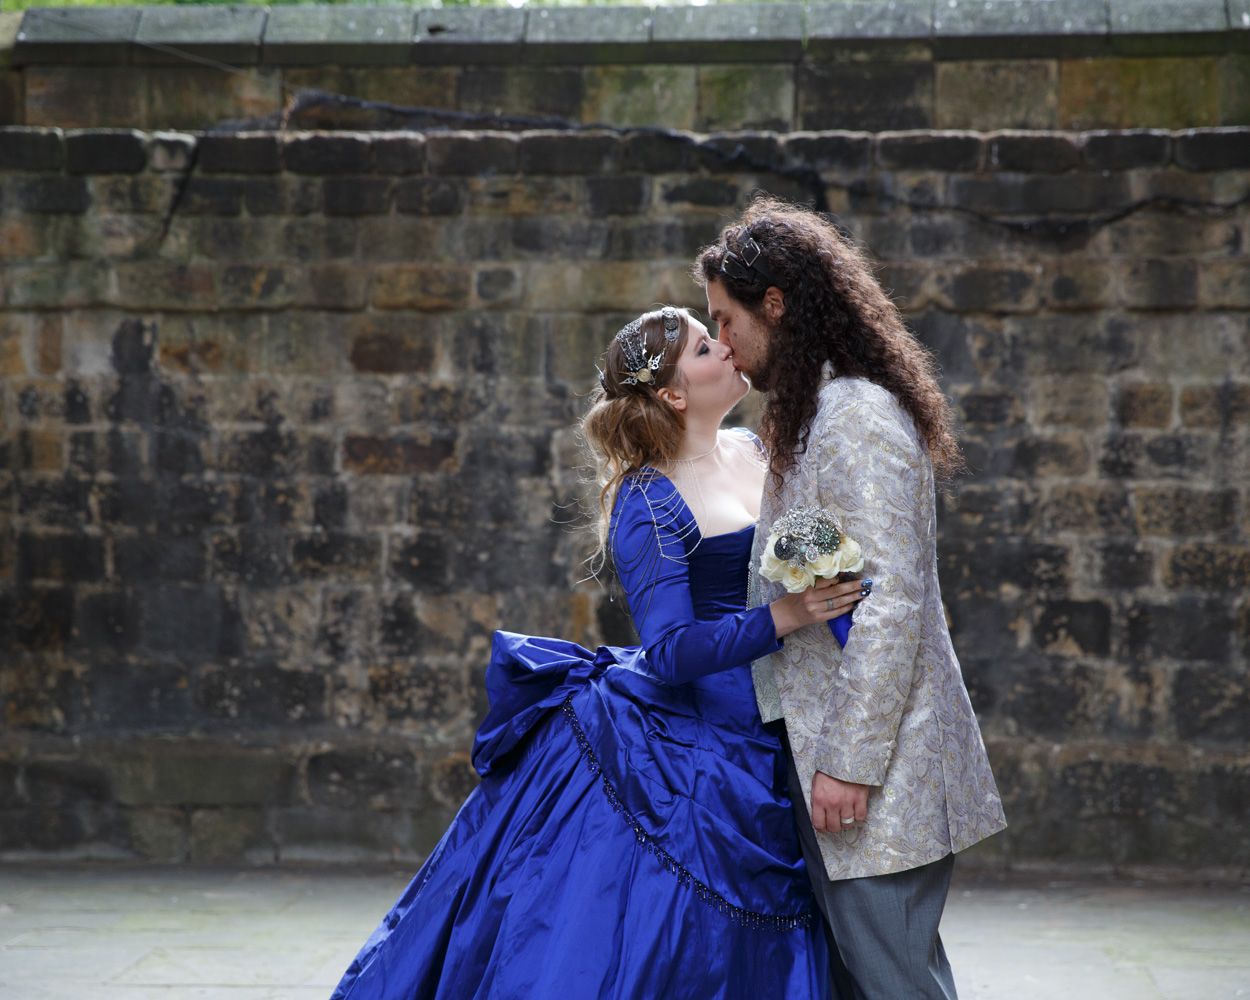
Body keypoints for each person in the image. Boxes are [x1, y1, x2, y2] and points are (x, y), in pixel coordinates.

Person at [329, 305, 868, 1000]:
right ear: (674, 393)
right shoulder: (649, 501)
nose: (727, 348)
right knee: (664, 937)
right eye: (707, 347)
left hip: (777, 719)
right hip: (696, 740)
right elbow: (670, 653)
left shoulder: (755, 449)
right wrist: (783, 616)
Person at [694, 197, 1007, 1000]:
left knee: (895, 983)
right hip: (836, 762)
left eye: (726, 322)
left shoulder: (854, 414)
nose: (722, 345)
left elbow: (889, 602)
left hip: (874, 772)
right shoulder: (811, 414)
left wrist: (848, 765)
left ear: (778, 305)